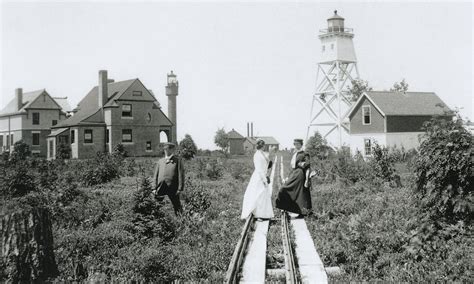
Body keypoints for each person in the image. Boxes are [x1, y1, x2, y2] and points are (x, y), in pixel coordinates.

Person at [276, 139, 312, 217]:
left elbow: (308, 167)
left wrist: (306, 180)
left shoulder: (305, 154)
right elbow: (293, 167)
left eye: (297, 144)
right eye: (295, 144)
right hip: (294, 174)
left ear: (301, 144)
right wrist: (288, 177)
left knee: (300, 193)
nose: (296, 145)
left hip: (300, 175)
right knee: (284, 189)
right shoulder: (295, 153)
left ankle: (302, 212)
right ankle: (286, 208)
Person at [241, 139, 274, 221]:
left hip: (262, 175)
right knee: (258, 194)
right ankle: (257, 214)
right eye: (263, 145)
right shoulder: (257, 155)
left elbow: (267, 162)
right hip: (259, 177)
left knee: (263, 195)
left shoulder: (262, 153)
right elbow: (259, 169)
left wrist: (270, 152)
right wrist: (264, 179)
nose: (264, 146)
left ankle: (264, 214)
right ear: (261, 146)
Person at [153, 142, 184, 215]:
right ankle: (157, 222)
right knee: (156, 206)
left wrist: (180, 188)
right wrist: (153, 188)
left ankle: (181, 221)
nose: (166, 150)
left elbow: (181, 175)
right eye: (165, 149)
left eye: (168, 149)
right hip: (160, 187)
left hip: (173, 187)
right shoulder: (160, 161)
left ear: (172, 150)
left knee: (177, 207)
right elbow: (155, 175)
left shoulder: (177, 161)